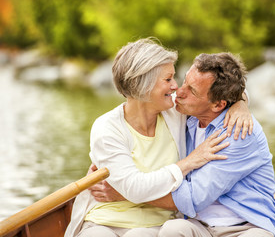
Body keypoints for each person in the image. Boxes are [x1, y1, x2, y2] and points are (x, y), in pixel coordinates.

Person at [65, 38, 252, 237]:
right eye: (168, 79)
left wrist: (241, 105)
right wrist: (190, 161)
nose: (175, 87)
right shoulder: (107, 127)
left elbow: (225, 90)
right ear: (142, 85)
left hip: (158, 225)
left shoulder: (176, 111)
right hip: (104, 219)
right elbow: (135, 188)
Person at [92, 52, 275, 237]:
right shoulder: (188, 117)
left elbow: (192, 197)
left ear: (218, 105)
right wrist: (241, 102)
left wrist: (125, 193)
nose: (179, 91)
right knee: (172, 230)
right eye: (184, 81)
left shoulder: (238, 132)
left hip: (246, 225)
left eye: (192, 90)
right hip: (199, 224)